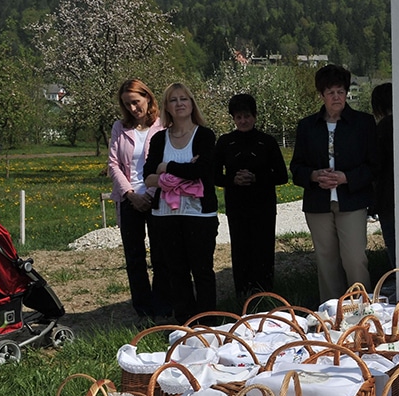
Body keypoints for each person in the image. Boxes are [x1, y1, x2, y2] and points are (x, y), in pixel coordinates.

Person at [291, 64, 378, 302]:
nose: (336, 97)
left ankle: (364, 311)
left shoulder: (363, 123)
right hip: (318, 204)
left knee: (355, 259)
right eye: (331, 92)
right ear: (321, 95)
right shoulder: (307, 126)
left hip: (352, 201)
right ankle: (332, 316)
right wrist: (314, 175)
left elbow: (374, 165)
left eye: (340, 91)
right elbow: (296, 168)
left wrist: (346, 177)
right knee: (326, 261)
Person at [144, 82, 219, 325]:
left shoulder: (205, 136)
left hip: (199, 215)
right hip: (165, 216)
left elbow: (204, 170)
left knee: (202, 270)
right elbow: (148, 177)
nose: (179, 104)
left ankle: (208, 322)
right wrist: (184, 172)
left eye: (183, 98)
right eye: (173, 100)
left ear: (192, 103)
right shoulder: (158, 139)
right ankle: (184, 322)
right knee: (175, 272)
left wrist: (167, 169)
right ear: (166, 106)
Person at [213, 93, 288, 299]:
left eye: (247, 116)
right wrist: (233, 180)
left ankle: (264, 292)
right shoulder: (225, 142)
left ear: (254, 116)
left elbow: (281, 175)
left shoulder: (267, 142)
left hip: (263, 205)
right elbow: (214, 174)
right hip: (237, 206)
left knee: (263, 248)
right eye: (238, 117)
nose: (243, 121)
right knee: (240, 248)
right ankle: (243, 293)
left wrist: (256, 178)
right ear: (233, 119)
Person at [108, 79, 170, 321]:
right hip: (129, 198)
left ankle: (163, 304)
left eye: (136, 102)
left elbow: (167, 160)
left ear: (148, 98)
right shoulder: (119, 128)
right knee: (134, 256)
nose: (133, 108)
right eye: (127, 104)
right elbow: (113, 164)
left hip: (158, 196)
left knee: (161, 254)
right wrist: (130, 194)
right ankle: (142, 307)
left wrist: (150, 194)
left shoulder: (163, 126)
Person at [370, 82, 395, 269]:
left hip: (387, 195)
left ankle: (398, 278)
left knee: (393, 243)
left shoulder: (383, 127)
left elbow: (376, 165)